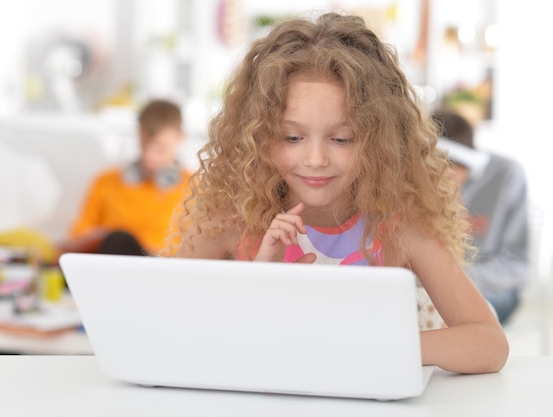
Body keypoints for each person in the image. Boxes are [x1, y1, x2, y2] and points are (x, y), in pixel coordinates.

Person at [168, 12, 508, 374]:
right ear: (259, 137)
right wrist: (256, 288)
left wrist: (366, 346)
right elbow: (163, 321)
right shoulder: (232, 221)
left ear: (380, 141)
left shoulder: (398, 229)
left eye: (342, 139)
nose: (315, 159)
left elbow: (488, 344)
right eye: (292, 137)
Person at [432, 107, 530, 325]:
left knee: (463, 317)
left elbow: (517, 265)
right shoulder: (421, 183)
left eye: (450, 166)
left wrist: (451, 278)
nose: (442, 176)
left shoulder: (507, 175)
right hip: (434, 288)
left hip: (492, 287)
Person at [59, 99, 191, 257]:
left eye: (161, 149)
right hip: (112, 261)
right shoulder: (106, 182)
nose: (150, 158)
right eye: (144, 145)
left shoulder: (195, 187)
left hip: (164, 269)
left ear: (180, 138)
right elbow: (77, 240)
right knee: (118, 240)